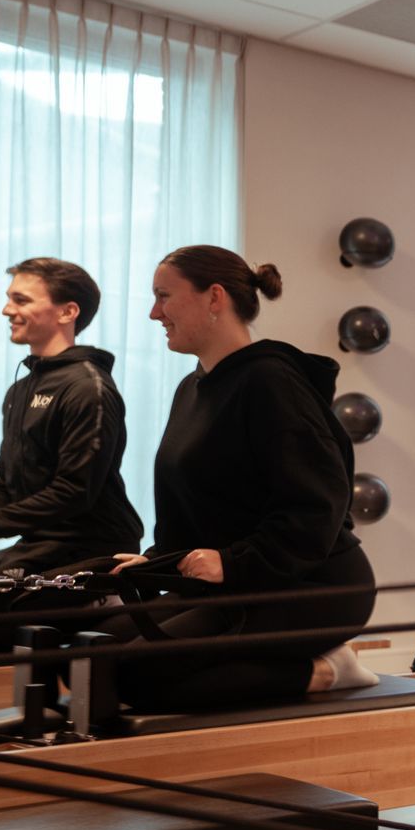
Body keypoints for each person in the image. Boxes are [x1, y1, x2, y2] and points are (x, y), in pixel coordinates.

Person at [100, 246, 378, 712]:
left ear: (214, 298)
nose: (154, 312)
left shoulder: (271, 382)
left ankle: (327, 670)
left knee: (136, 674)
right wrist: (156, 563)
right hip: (237, 581)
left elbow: (317, 506)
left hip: (310, 585)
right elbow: (204, 502)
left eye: (164, 296)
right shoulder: (193, 388)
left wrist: (236, 561)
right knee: (92, 651)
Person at [0, 258, 143, 573]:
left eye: (20, 300)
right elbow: (6, 485)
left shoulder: (88, 387)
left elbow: (73, 492)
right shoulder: (19, 391)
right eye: (9, 299)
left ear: (67, 312)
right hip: (38, 546)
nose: (6, 310)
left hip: (90, 548)